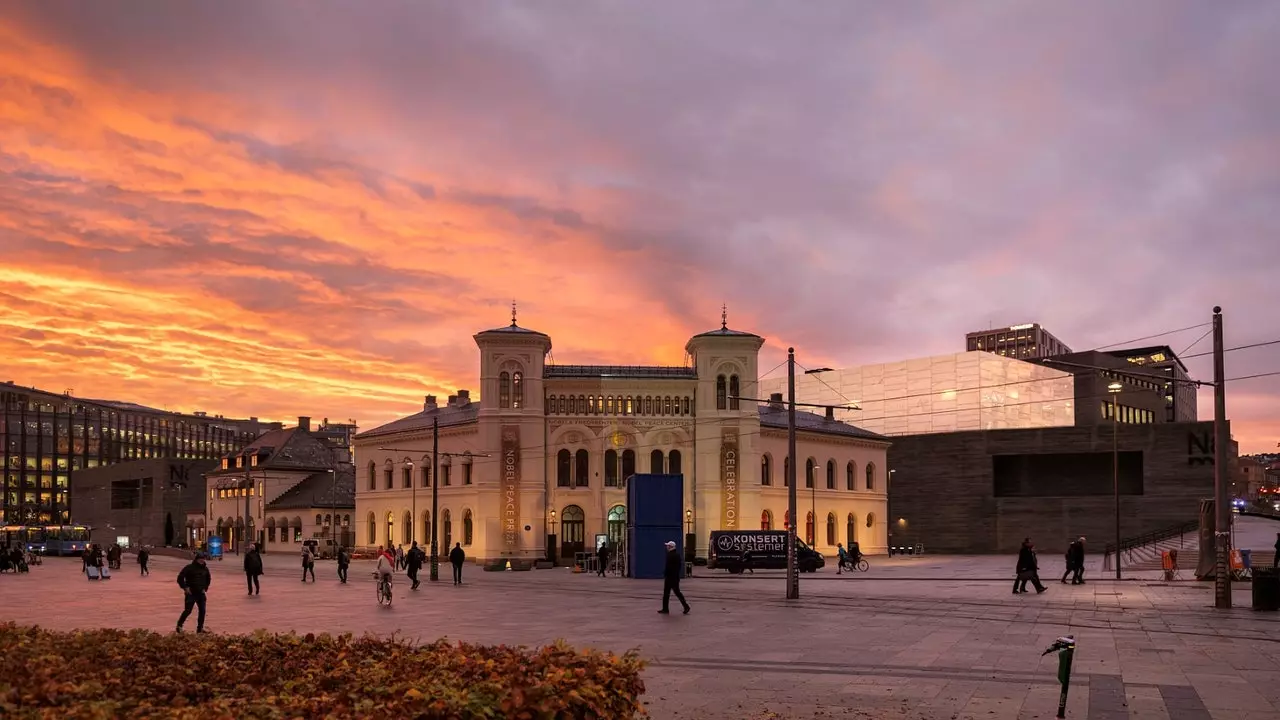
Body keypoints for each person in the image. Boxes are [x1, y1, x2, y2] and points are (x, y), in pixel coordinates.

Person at [176, 552, 211, 633]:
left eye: (203, 558)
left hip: (201, 593)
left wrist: (205, 588)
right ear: (197, 559)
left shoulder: (205, 569)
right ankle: (179, 626)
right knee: (188, 610)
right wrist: (185, 587)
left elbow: (208, 579)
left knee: (202, 611)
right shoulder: (189, 568)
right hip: (191, 593)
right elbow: (180, 578)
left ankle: (200, 629)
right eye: (200, 559)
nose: (202, 560)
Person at [659, 540, 690, 614]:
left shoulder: (670, 555)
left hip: (670, 578)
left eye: (667, 546)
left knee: (667, 593)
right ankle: (685, 606)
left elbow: (668, 567)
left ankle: (666, 609)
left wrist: (665, 574)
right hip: (675, 577)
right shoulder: (677, 555)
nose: (667, 547)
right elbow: (678, 566)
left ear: (670, 547)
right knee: (676, 593)